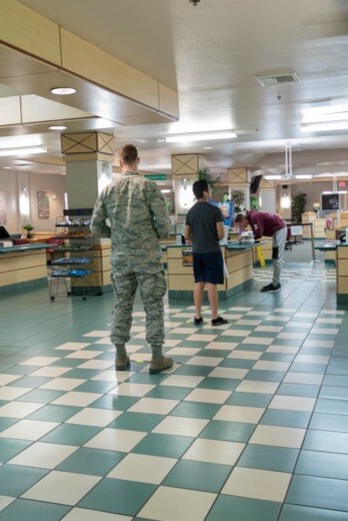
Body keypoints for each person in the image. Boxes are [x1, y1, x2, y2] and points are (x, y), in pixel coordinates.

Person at [91, 144, 174, 374]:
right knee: (154, 305)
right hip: (147, 258)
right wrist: (152, 236)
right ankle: (157, 358)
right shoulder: (148, 187)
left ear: (120, 161)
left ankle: (120, 356)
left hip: (121, 259)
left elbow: (95, 225)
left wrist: (116, 235)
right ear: (138, 160)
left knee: (121, 304)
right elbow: (164, 225)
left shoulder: (108, 189)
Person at [184, 179, 228, 326]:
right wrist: (210, 237)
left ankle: (198, 316)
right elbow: (221, 234)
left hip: (197, 252)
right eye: (208, 189)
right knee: (212, 284)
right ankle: (215, 317)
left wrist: (195, 240)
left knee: (198, 282)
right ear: (204, 192)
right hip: (212, 251)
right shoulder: (214, 211)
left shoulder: (190, 212)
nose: (210, 193)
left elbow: (186, 235)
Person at [234, 210, 289, 292]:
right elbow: (257, 231)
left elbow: (259, 233)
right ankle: (275, 283)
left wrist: (245, 237)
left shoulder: (253, 217)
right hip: (277, 230)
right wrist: (248, 235)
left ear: (242, 220)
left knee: (277, 258)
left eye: (240, 225)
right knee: (275, 257)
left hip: (280, 229)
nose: (241, 228)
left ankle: (276, 285)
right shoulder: (252, 217)